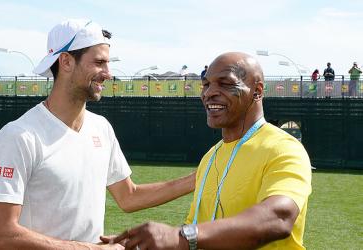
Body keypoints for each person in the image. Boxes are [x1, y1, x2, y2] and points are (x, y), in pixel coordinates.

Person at [0, 19, 195, 250]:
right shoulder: (19, 136)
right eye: (99, 63)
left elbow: (129, 196)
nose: (108, 73)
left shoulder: (101, 127)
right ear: (65, 61)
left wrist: (199, 178)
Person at [110, 52, 312, 250]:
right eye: (206, 85)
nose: (208, 93)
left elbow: (278, 217)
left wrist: (181, 237)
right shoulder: (210, 157)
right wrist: (141, 245)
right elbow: (197, 229)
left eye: (225, 84)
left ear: (257, 91)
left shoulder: (283, 148)